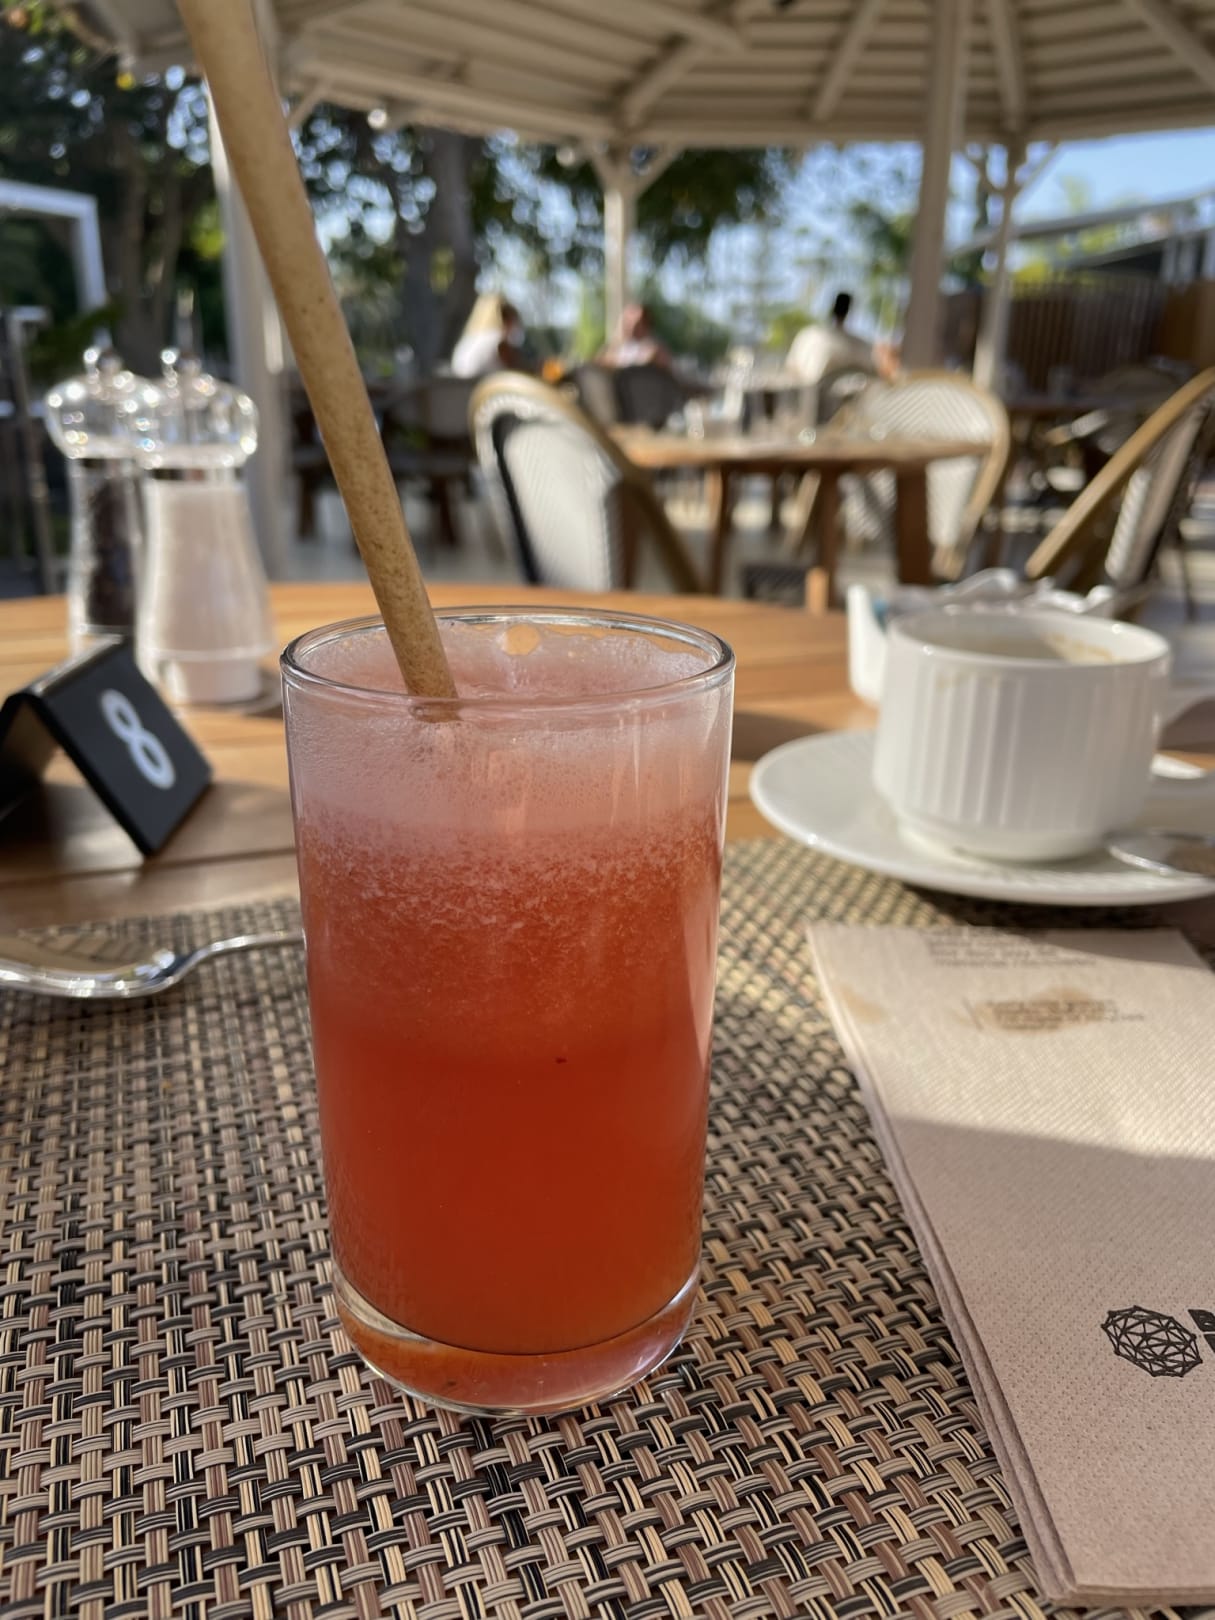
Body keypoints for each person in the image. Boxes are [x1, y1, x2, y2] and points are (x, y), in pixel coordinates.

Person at [785, 291, 878, 385]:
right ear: (849, 311)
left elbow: (791, 368)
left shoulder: (807, 334)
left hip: (807, 389)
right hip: (817, 389)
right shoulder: (858, 344)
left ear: (832, 307)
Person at [451, 294, 531, 378]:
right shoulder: (499, 342)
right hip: (482, 385)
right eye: (512, 319)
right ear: (505, 319)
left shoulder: (470, 339)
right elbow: (519, 371)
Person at [600, 303, 672, 370]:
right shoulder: (619, 347)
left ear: (646, 323)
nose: (630, 325)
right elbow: (601, 362)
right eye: (626, 321)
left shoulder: (655, 347)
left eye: (636, 322)